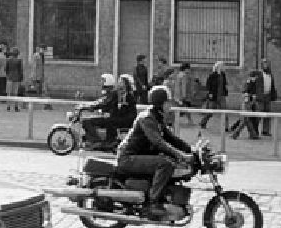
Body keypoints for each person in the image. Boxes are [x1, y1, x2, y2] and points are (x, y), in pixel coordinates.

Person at [116, 85, 193, 219]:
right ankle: (153, 203)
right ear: (160, 103)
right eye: (168, 102)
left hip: (138, 156)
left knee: (170, 162)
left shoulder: (157, 117)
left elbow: (171, 138)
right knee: (164, 163)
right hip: (128, 158)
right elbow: (158, 142)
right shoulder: (147, 118)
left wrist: (191, 150)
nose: (170, 105)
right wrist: (181, 155)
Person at [77, 73, 119, 148]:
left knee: (86, 121)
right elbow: (99, 101)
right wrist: (86, 105)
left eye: (103, 80)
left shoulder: (112, 93)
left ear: (107, 81)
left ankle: (96, 141)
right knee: (90, 119)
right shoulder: (108, 92)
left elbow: (103, 103)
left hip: (109, 118)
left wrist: (89, 107)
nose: (101, 82)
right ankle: (91, 140)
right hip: (106, 116)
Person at [199, 61, 229, 129]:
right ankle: (203, 122)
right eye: (223, 66)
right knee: (210, 112)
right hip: (214, 96)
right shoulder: (212, 75)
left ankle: (226, 127)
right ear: (218, 67)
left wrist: (226, 90)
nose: (224, 67)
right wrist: (210, 93)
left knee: (225, 112)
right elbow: (208, 85)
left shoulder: (223, 75)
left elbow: (224, 84)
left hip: (222, 96)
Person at [257, 58, 278, 136]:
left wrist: (273, 95)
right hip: (261, 97)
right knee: (259, 113)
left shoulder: (270, 75)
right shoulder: (259, 74)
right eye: (264, 64)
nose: (266, 65)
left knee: (268, 114)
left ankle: (265, 130)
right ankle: (256, 128)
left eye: (267, 64)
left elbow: (272, 86)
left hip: (268, 96)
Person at [4, 48, 24, 112]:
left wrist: (8, 75)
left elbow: (6, 69)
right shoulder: (19, 60)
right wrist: (21, 78)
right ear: (17, 54)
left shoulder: (8, 60)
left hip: (9, 78)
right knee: (15, 93)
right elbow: (21, 70)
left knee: (9, 93)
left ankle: (8, 106)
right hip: (16, 78)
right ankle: (15, 106)